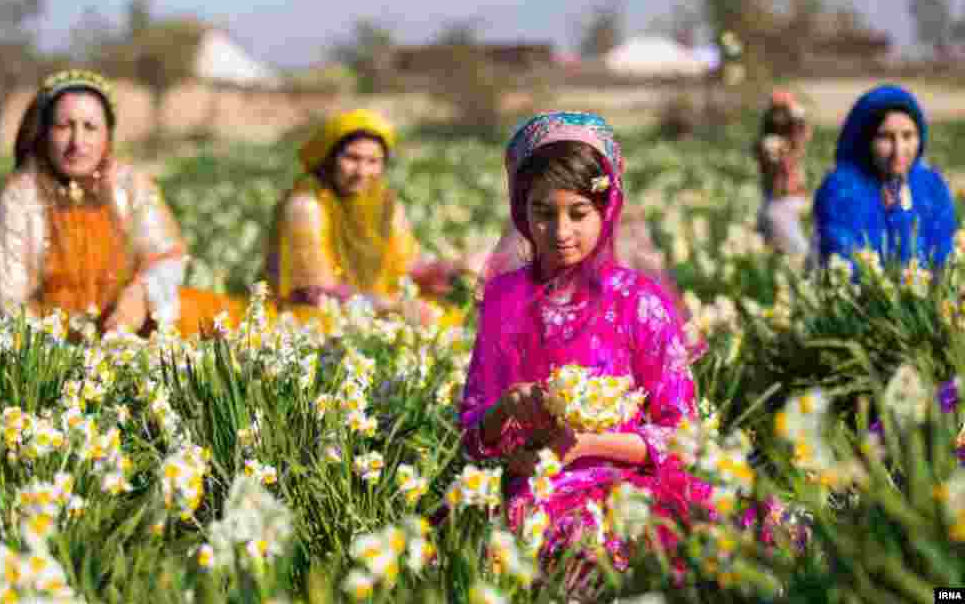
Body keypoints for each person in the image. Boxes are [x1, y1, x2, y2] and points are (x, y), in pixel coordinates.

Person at [458, 112, 713, 593]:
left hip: (631, 488)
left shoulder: (639, 303)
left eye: (578, 212)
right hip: (536, 494)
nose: (560, 231)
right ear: (521, 213)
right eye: (542, 212)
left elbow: (680, 433)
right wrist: (506, 412)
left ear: (606, 210)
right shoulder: (505, 302)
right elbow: (472, 436)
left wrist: (588, 446)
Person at [0, 69, 244, 338]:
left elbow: (167, 256)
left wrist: (141, 295)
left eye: (90, 127)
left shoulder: (130, 184)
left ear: (107, 135)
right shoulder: (18, 198)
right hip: (49, 349)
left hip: (128, 334)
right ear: (43, 132)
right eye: (63, 127)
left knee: (216, 320)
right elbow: (6, 304)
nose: (77, 142)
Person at [263, 109, 467, 326]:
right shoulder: (306, 205)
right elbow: (314, 290)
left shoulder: (385, 204)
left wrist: (455, 269)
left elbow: (406, 267)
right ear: (329, 158)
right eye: (352, 158)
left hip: (374, 308)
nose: (362, 171)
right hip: (312, 318)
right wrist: (388, 307)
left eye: (373, 161)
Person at [813, 85, 958, 272]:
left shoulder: (930, 186)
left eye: (908, 136)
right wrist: (896, 214)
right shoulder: (841, 190)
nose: (899, 150)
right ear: (865, 139)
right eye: (885, 137)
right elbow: (847, 265)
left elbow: (944, 258)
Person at [755, 90, 812, 257]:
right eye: (776, 112)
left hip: (791, 201)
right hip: (778, 203)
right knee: (798, 255)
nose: (780, 117)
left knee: (784, 253)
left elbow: (803, 132)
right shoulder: (768, 143)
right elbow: (781, 161)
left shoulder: (794, 139)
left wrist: (795, 111)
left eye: (783, 112)